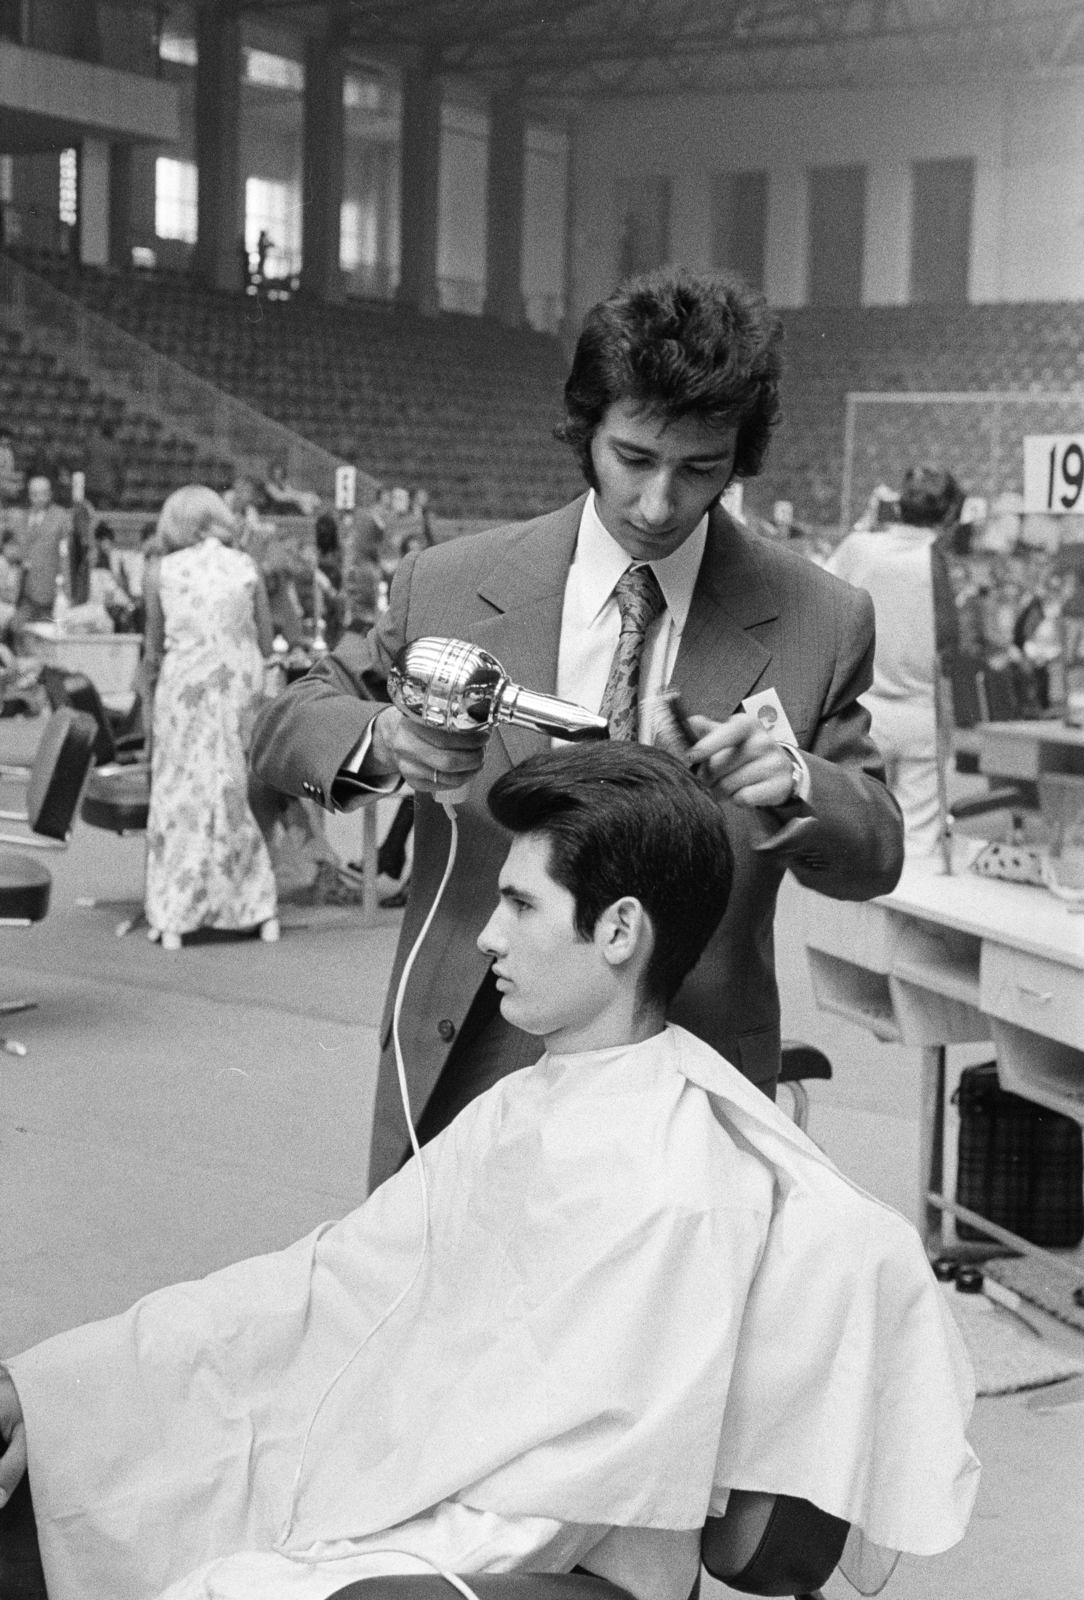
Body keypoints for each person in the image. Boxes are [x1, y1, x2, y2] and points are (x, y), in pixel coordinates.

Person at [0, 745, 977, 1600]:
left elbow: (585, 1476)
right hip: (403, 1457)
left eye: (518, 904)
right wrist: (55, 1386)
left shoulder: (685, 1183)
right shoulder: (527, 1104)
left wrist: (368, 1491)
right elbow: (331, 1280)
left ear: (619, 930)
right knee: (70, 1465)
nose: (486, 937)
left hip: (501, 1537)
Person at [251, 267, 904, 1191]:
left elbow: (878, 849)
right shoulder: (445, 584)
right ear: (585, 431)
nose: (657, 504)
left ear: (741, 458)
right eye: (633, 458)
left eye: (701, 471)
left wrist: (799, 783)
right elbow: (287, 719)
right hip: (469, 1055)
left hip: (695, 1073)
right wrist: (384, 740)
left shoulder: (820, 620)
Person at [142, 486, 279, 951]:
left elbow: (153, 650)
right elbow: (266, 640)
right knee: (234, 792)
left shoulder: (159, 571)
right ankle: (253, 905)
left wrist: (145, 710)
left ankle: (175, 909)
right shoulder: (245, 567)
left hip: (184, 693)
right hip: (238, 691)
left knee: (180, 795)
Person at [829, 464, 962, 860]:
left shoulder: (858, 547)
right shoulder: (935, 559)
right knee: (918, 847)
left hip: (860, 713)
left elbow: (821, 599)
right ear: (949, 516)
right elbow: (949, 646)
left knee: (851, 842)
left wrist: (866, 523)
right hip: (922, 717)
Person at [14, 473, 70, 627]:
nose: (39, 498)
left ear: (50, 494)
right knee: (18, 629)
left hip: (50, 589)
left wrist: (65, 590)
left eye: (43, 494)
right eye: (34, 494)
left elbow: (65, 555)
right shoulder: (22, 518)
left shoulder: (60, 517)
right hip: (24, 589)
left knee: (46, 631)